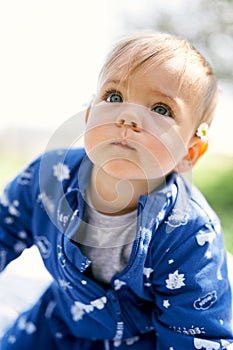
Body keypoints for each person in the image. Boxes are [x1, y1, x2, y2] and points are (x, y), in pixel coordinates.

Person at [0, 31, 232, 349]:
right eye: (113, 97)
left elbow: (197, 332)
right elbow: (3, 226)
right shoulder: (50, 178)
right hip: (56, 322)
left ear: (188, 154)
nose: (128, 116)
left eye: (161, 109)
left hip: (139, 341)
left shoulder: (191, 233)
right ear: (87, 116)